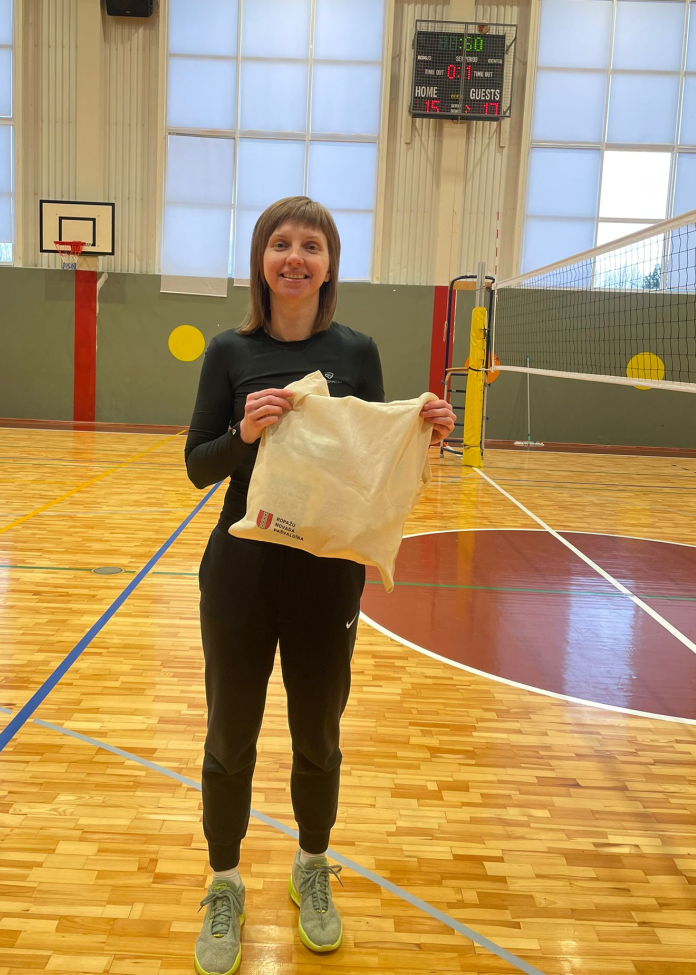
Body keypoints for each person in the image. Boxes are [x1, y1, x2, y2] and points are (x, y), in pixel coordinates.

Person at [185, 196, 456, 975]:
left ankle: (311, 866)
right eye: (281, 243)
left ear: (330, 264)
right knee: (229, 741)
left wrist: (425, 432)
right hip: (239, 578)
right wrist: (244, 432)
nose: (295, 257)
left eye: (312, 245)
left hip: (327, 580)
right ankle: (225, 882)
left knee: (318, 738)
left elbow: (369, 462)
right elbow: (197, 465)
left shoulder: (357, 351)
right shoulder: (228, 352)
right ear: (261, 260)